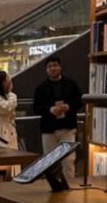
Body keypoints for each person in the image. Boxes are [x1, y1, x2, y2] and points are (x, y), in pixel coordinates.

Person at [33, 56, 82, 184]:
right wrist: (50, 109)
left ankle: (69, 185)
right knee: (49, 160)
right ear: (46, 70)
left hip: (67, 127)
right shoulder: (40, 88)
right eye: (49, 67)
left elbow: (79, 101)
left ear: (60, 67)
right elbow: (36, 107)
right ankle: (53, 186)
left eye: (55, 65)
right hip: (48, 129)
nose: (52, 68)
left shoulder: (71, 84)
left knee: (69, 159)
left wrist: (68, 106)